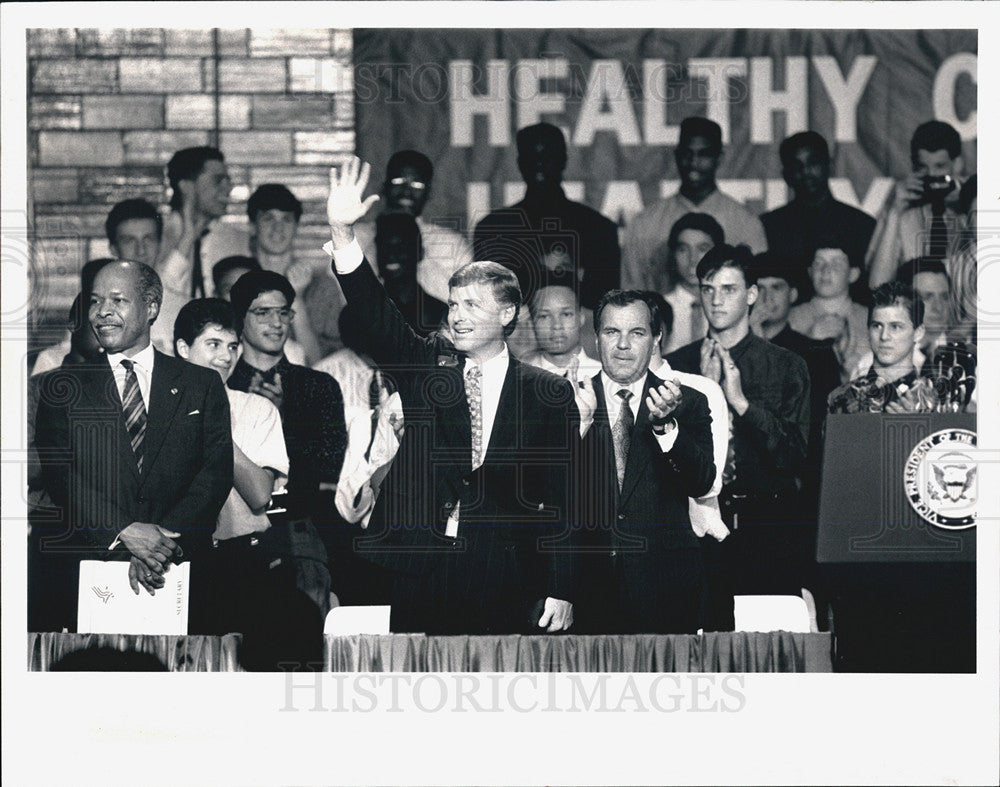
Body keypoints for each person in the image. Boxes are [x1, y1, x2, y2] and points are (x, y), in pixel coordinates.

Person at [326, 157, 578, 635]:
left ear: (508, 314)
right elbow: (375, 313)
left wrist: (561, 586)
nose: (457, 316)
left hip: (509, 571)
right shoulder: (426, 367)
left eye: (473, 305)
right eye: (454, 303)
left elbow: (565, 499)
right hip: (421, 566)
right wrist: (342, 234)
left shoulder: (548, 392)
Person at [30, 260, 232, 633]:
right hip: (90, 565)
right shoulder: (62, 386)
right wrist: (124, 531)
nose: (102, 312)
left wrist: (159, 545)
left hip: (181, 567)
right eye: (94, 301)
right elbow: (63, 478)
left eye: (117, 300)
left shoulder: (200, 383)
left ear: (152, 307)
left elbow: (215, 474)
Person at [667, 244, 810, 630]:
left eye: (728, 289)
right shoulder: (676, 366)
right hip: (696, 526)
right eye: (708, 288)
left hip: (766, 525)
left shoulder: (785, 365)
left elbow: (795, 455)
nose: (716, 300)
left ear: (751, 295)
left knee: (768, 646)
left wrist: (741, 405)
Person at [571, 290, 715, 634]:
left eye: (636, 333)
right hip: (585, 588)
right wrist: (578, 426)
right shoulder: (570, 399)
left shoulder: (686, 402)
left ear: (656, 339)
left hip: (666, 589)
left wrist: (666, 428)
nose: (623, 345)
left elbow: (702, 481)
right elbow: (545, 492)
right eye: (611, 332)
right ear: (596, 338)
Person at [225, 269, 348, 617]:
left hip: (300, 535)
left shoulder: (317, 386)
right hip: (233, 537)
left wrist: (280, 417)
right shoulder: (223, 387)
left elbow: (328, 465)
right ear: (239, 318)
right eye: (262, 312)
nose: (276, 323)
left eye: (283, 312)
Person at [173, 298, 292, 635]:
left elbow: (258, 494)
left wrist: (214, 420)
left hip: (244, 561)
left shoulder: (257, 410)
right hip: (175, 561)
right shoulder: (155, 409)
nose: (225, 356)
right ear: (183, 348)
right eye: (213, 344)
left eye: (233, 346)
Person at [473, 123, 621, 313]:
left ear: (563, 160)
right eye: (531, 157)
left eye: (547, 156)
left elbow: (604, 306)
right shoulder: (493, 229)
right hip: (515, 339)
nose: (539, 164)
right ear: (520, 163)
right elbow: (492, 300)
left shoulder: (598, 229)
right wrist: (561, 273)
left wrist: (529, 273)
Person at [622, 116, 767, 293]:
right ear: (677, 155)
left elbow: (758, 291)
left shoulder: (746, 224)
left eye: (704, 154)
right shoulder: (644, 224)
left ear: (719, 158)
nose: (693, 163)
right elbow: (630, 294)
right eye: (687, 153)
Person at [153, 146, 249, 355]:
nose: (228, 188)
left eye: (228, 180)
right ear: (187, 187)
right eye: (218, 180)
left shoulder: (238, 241)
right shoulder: (155, 234)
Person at [760, 131, 876, 301]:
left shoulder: (860, 224)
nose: (805, 171)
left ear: (829, 166)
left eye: (813, 163)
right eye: (796, 165)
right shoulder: (770, 226)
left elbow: (869, 289)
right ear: (786, 175)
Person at [354, 149, 475, 306]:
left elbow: (464, 302)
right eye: (398, 181)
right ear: (384, 186)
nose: (406, 192)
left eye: (417, 185)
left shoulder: (453, 244)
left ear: (429, 192)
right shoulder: (355, 238)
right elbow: (340, 298)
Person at [867, 121, 966, 287]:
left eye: (939, 166)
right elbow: (877, 286)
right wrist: (894, 212)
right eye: (923, 168)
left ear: (957, 165)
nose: (932, 174)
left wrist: (966, 201)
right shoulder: (901, 215)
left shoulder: (973, 208)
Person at [827, 281, 941, 414]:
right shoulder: (841, 399)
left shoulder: (936, 403)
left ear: (918, 333)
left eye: (895, 327)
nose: (884, 336)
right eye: (877, 326)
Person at [246, 184, 324, 364]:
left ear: (296, 226)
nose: (278, 228)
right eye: (268, 219)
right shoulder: (236, 280)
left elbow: (323, 365)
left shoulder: (322, 286)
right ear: (252, 226)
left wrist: (297, 300)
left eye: (286, 219)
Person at [788, 243, 871, 382]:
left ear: (853, 273)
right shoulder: (790, 319)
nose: (825, 270)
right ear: (810, 271)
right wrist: (808, 343)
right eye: (818, 263)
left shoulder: (870, 319)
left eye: (836, 264)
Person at [212, 255, 308, 366]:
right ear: (216, 295)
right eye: (229, 290)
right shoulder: (205, 346)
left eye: (248, 288)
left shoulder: (287, 351)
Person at [372, 212, 448, 337]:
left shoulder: (440, 313)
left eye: (401, 247)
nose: (392, 254)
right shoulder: (364, 310)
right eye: (385, 246)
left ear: (420, 253)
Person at [660, 212, 725, 353]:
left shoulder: (731, 308)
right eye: (683, 249)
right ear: (673, 254)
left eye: (702, 249)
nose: (693, 259)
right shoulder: (657, 309)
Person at [521, 272, 601, 382]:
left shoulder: (603, 375)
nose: (557, 326)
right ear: (531, 323)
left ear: (581, 317)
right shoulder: (519, 378)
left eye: (566, 314)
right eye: (544, 316)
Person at [106, 198, 163, 267]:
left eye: (148, 239)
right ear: (113, 249)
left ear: (160, 244)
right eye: (129, 241)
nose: (141, 251)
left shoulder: (171, 276)